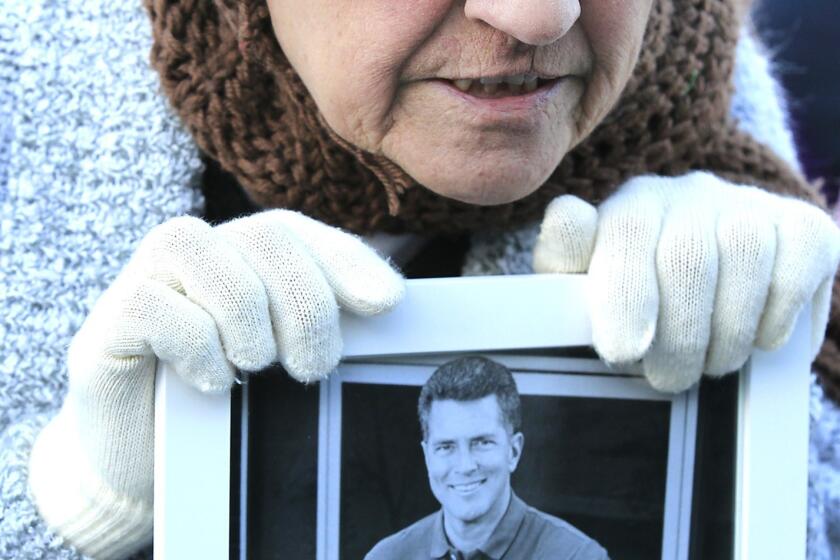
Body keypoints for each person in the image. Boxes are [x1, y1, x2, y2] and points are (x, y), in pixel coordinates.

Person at [2, 0, 840, 558]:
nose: (540, 13)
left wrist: (766, 427)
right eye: (451, 445)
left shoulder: (687, 87)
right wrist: (87, 502)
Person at [365, 356, 609, 560]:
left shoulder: (575, 556)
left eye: (482, 443)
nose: (465, 466)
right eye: (446, 446)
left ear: (513, 451)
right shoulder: (387, 557)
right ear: (427, 457)